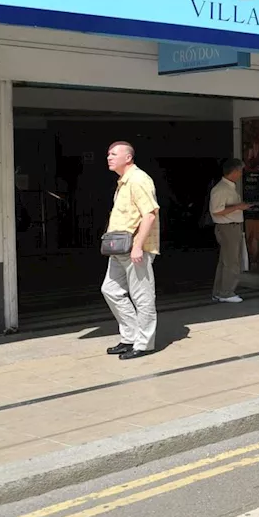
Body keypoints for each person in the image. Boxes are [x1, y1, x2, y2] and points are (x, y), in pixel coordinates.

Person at [102, 141, 160, 360]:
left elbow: (150, 214)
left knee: (142, 296)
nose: (109, 157)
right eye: (108, 154)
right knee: (110, 290)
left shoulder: (138, 180)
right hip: (119, 248)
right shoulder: (123, 182)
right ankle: (130, 336)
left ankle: (144, 343)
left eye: (114, 154)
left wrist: (137, 246)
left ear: (128, 157)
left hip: (136, 249)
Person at [209, 158, 251, 303]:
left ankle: (219, 292)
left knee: (226, 261)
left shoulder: (228, 187)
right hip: (228, 227)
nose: (241, 174)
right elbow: (216, 211)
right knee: (232, 261)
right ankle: (226, 292)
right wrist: (238, 207)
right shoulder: (221, 189)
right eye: (240, 171)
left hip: (231, 227)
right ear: (234, 172)